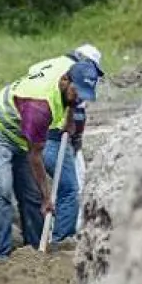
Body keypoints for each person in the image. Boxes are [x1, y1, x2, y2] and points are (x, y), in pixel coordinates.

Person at [0, 59, 101, 256]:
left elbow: (73, 97)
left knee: (31, 195)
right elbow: (35, 156)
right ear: (65, 80)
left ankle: (35, 254)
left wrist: (69, 117)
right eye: (78, 92)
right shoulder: (39, 106)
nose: (79, 98)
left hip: (22, 133)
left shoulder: (66, 70)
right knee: (2, 189)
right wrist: (47, 197)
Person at [25, 44, 104, 243]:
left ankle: (41, 238)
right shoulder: (76, 79)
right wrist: (74, 142)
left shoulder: (53, 65)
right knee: (70, 190)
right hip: (53, 136)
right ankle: (61, 240)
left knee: (39, 190)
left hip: (33, 130)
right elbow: (76, 117)